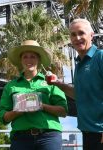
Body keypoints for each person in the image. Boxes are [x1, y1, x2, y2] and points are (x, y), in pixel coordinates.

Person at [0, 40, 68, 150]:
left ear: (39, 60)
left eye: (33, 57)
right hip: (21, 139)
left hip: (48, 137)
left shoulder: (51, 82)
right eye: (25, 57)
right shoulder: (10, 86)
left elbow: (63, 111)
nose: (28, 60)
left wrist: (42, 106)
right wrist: (19, 110)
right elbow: (2, 116)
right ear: (20, 60)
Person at [52, 18, 103, 150]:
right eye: (73, 34)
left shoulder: (100, 57)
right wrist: (58, 83)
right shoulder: (80, 64)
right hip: (88, 133)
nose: (77, 38)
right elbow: (79, 94)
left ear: (91, 35)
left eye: (81, 33)